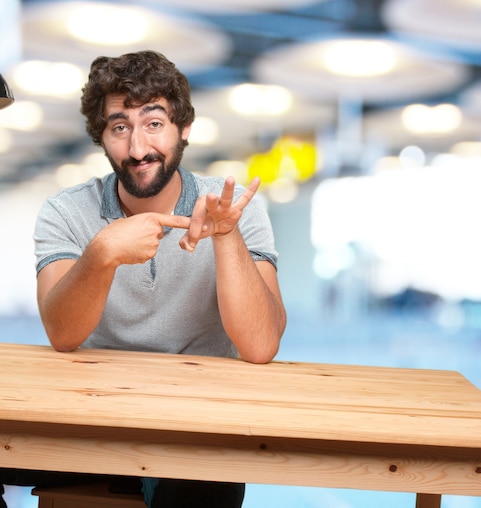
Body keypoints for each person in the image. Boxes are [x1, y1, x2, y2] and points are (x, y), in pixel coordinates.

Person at [0, 50, 287, 508]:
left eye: (154, 123)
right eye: (119, 127)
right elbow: (62, 333)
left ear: (184, 129)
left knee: (199, 486)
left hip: (197, 427)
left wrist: (226, 236)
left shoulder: (234, 206)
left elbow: (261, 345)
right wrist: (103, 253)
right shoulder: (65, 211)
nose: (137, 149)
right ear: (102, 136)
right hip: (87, 420)